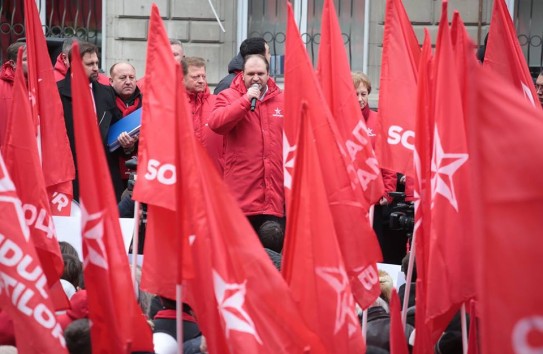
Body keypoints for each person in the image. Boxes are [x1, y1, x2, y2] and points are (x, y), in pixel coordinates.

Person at [209, 54, 285, 234]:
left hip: (274, 197)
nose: (256, 78)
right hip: (242, 197)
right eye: (251, 73)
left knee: (272, 251)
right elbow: (216, 123)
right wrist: (244, 101)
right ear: (242, 74)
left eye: (260, 73)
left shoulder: (282, 100)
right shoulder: (228, 96)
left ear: (269, 74)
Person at [57, 42, 123, 202]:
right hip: (73, 177)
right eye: (90, 64)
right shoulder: (56, 92)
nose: (95, 68)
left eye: (97, 63)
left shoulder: (106, 92)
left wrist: (127, 144)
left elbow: (117, 126)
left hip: (104, 175)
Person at [181, 56, 223, 173]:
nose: (201, 80)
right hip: (182, 176)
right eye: (195, 77)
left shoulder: (218, 102)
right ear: (182, 78)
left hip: (214, 175)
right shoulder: (172, 104)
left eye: (203, 76)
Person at [109, 62, 141, 187]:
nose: (128, 82)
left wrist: (132, 145)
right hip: (112, 172)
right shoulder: (103, 104)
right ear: (111, 81)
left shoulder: (146, 102)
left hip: (140, 171)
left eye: (131, 77)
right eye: (123, 78)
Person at [0, 42, 25, 148]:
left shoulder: (39, 85)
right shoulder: (1, 86)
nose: (32, 63)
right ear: (13, 63)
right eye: (26, 59)